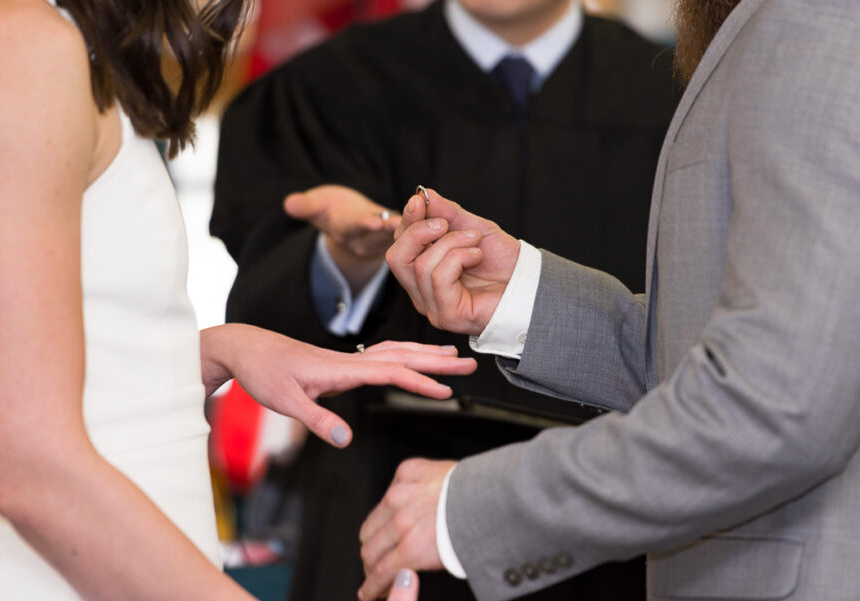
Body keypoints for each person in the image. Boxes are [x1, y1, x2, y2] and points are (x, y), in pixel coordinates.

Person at [0, 1, 478, 599]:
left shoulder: (67, 51)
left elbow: (21, 358)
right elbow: (31, 468)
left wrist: (213, 352)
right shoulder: (25, 44)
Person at [358, 0, 860, 599]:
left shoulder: (820, 18)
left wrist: (473, 508)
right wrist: (521, 297)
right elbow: (770, 352)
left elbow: (777, 401)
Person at [211, 0, 677, 598]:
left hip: (618, 532)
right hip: (385, 521)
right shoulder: (327, 89)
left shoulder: (679, 90)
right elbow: (262, 321)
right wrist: (342, 262)